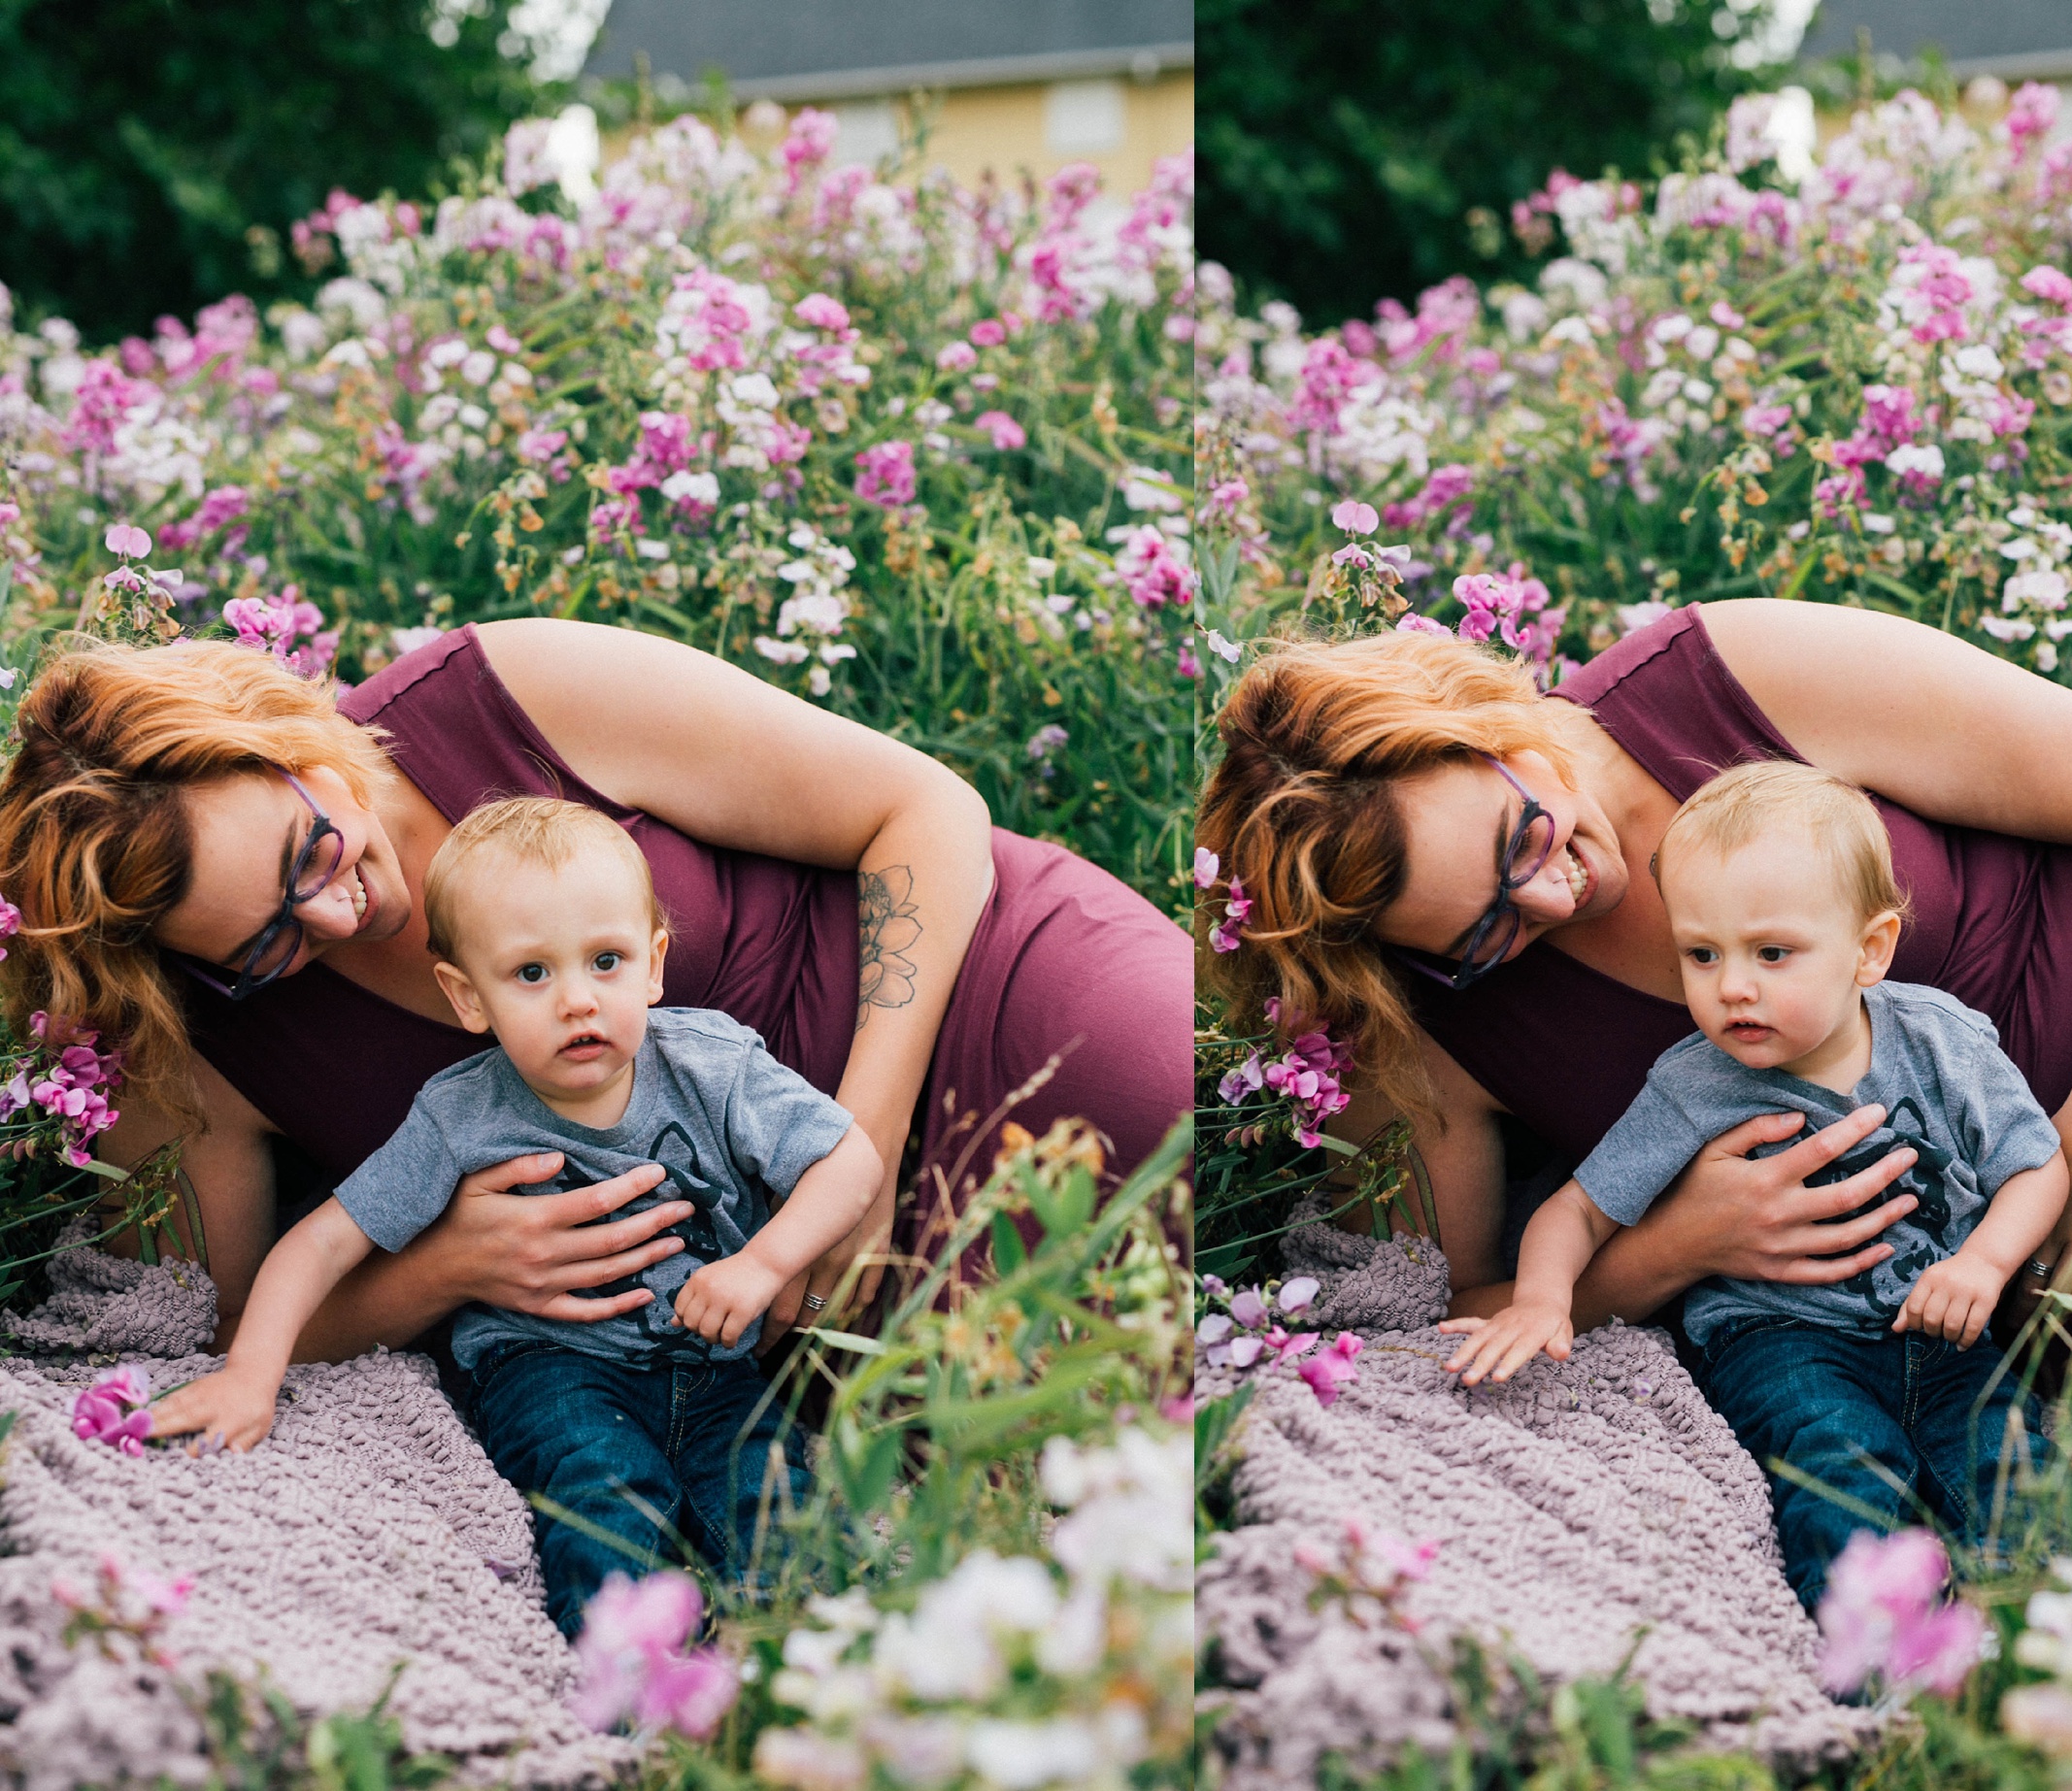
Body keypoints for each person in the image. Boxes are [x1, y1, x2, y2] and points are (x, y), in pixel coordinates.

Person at [0, 621, 1189, 1363]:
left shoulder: (496, 698)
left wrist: (857, 1160)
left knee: (1178, 1128)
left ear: (286, 743)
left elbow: (922, 810)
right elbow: (234, 1323)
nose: (335, 915)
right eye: (261, 942)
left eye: (308, 853)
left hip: (953, 1001)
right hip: (733, 1285)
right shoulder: (190, 1029)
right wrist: (446, 1270)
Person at [1197, 600, 2072, 1331]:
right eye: (1483, 935)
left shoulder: (1713, 681)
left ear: (1481, 720)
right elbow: (1459, 1311)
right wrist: (1676, 1251)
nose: (1560, 896)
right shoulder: (1423, 1026)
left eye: (1524, 838)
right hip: (1986, 1264)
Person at [151, 799, 880, 1634]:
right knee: (601, 1491)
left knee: (774, 1496)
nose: (577, 1000)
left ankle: (812, 1673)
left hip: (715, 1365)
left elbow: (849, 1158)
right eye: (532, 974)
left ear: (653, 964)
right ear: (469, 997)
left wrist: (763, 1263)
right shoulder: (463, 1115)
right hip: (551, 1367)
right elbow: (322, 1240)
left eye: (605, 960)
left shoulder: (709, 1063)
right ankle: (631, 1685)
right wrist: (252, 1372)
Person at [1439, 763, 2063, 1607]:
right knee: (1835, 1462)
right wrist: (1543, 1300)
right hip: (1783, 1339)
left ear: (1869, 949)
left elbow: (2036, 1164)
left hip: (1943, 1327)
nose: (1733, 985)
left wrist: (1983, 1264)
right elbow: (1577, 1211)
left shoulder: (1940, 1041)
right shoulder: (1697, 1085)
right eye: (1702, 953)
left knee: (2012, 1465)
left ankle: (2063, 1635)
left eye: (1773, 953)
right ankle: (1876, 1656)